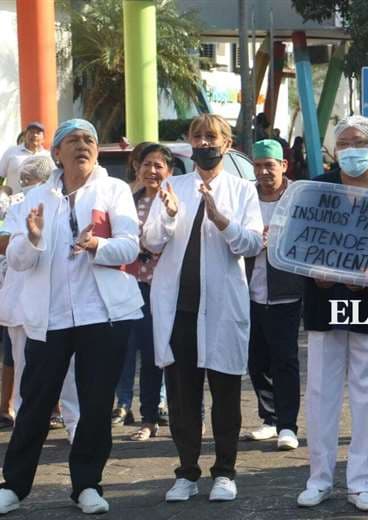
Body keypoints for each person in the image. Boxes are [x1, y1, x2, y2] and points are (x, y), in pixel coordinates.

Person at [0, 119, 143, 515]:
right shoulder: (33, 199)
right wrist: (31, 239)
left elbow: (130, 247)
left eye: (90, 140)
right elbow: (15, 260)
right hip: (50, 316)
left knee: (96, 404)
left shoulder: (114, 190)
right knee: (35, 402)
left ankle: (87, 486)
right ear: (57, 152)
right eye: (74, 140)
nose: (83, 146)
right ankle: (14, 485)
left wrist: (98, 244)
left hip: (104, 314)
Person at [142, 114, 263, 504]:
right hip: (179, 310)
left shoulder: (243, 191)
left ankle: (225, 472)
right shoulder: (172, 186)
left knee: (225, 392)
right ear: (190, 143)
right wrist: (172, 214)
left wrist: (224, 222)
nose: (205, 143)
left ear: (226, 144)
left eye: (212, 137)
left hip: (223, 307)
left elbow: (251, 245)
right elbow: (152, 242)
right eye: (198, 136)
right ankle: (186, 472)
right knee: (182, 395)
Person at [296, 115, 368, 513]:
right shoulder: (317, 188)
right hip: (324, 302)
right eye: (342, 143)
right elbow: (299, 241)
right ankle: (319, 478)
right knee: (322, 393)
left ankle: (362, 482)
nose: (350, 150)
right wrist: (315, 272)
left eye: (358, 142)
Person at [0, 156, 80, 442]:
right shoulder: (19, 202)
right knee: (26, 375)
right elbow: (4, 241)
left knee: (71, 374)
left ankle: (76, 431)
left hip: (63, 304)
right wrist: (31, 238)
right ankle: (26, 434)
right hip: (23, 304)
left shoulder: (72, 198)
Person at [240, 139, 303, 450]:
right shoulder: (245, 195)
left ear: (283, 166)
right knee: (256, 359)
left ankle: (288, 425)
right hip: (248, 291)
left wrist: (278, 240)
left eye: (270, 165)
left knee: (285, 360)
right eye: (258, 165)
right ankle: (270, 418)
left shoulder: (298, 197)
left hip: (286, 293)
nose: (264, 171)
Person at [118, 143, 175, 442]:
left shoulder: (177, 201)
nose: (152, 171)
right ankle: (148, 418)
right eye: (146, 165)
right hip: (133, 287)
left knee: (169, 354)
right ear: (137, 168)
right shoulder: (127, 200)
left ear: (169, 171)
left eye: (158, 165)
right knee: (144, 352)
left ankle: (186, 415)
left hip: (168, 287)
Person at [0, 122, 50, 194]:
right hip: (13, 202)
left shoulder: (47, 156)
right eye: (31, 132)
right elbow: (1, 175)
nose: (34, 135)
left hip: (38, 202)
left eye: (38, 133)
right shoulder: (11, 152)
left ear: (43, 138)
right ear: (25, 135)